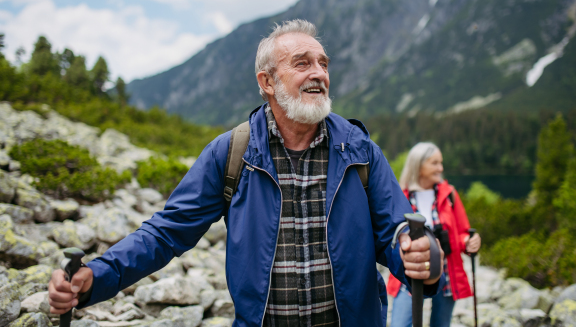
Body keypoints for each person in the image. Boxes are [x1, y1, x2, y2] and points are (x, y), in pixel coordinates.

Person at [48, 20, 443, 327]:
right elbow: (166, 232)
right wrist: (97, 275)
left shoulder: (359, 150)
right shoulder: (232, 152)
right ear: (267, 82)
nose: (319, 73)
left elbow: (398, 232)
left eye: (323, 63)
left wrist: (421, 254)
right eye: (302, 63)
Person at [387, 142, 481, 327]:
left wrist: (469, 241)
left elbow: (461, 233)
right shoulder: (401, 195)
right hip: (410, 271)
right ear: (419, 166)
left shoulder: (449, 194)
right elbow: (390, 234)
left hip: (447, 271)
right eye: (435, 163)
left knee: (441, 323)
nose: (441, 168)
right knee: (401, 323)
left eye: (441, 163)